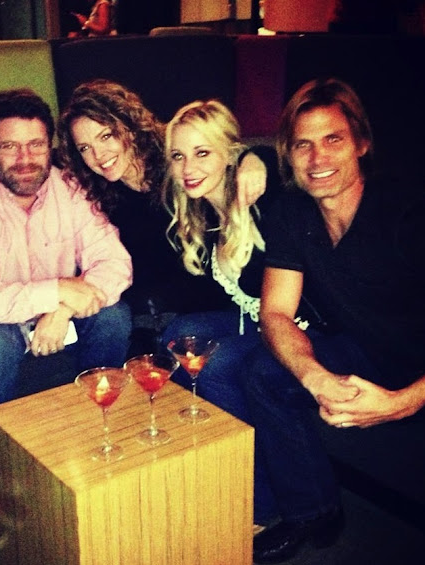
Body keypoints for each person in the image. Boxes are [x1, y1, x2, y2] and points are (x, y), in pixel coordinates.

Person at [246, 77, 425, 563]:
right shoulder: (291, 212)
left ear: (361, 144)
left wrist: (402, 404)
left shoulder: (411, 215)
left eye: (333, 139)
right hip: (370, 351)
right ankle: (313, 511)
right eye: (302, 145)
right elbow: (276, 312)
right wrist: (314, 376)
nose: (317, 158)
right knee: (263, 373)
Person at [0, 88, 132, 406]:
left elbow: (115, 262)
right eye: (9, 146)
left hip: (62, 312)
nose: (25, 159)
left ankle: (97, 414)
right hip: (1, 320)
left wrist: (62, 308)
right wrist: (58, 290)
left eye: (36, 144)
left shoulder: (69, 187)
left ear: (49, 146)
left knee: (114, 318)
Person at [161, 98, 285, 527]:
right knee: (177, 337)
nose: (188, 167)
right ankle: (215, 459)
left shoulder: (261, 196)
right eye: (178, 156)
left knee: (213, 364)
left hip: (295, 326)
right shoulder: (199, 212)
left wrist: (258, 156)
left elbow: (286, 159)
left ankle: (262, 501)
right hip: (251, 319)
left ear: (230, 154)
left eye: (202, 152)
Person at [57, 79, 267, 324]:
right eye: (84, 148)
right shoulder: (95, 195)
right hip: (151, 317)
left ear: (129, 127)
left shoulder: (176, 161)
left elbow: (224, 149)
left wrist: (254, 158)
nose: (98, 154)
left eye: (106, 136)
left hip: (216, 307)